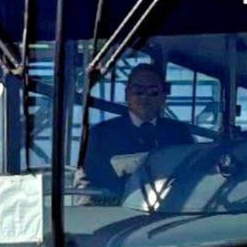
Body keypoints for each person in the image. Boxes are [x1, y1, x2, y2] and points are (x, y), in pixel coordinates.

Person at [76, 63, 193, 204]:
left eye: (153, 91)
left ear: (163, 97)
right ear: (127, 94)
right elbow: (87, 187)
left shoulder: (180, 135)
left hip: (169, 213)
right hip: (118, 216)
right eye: (138, 91)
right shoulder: (100, 135)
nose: (145, 97)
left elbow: (192, 177)